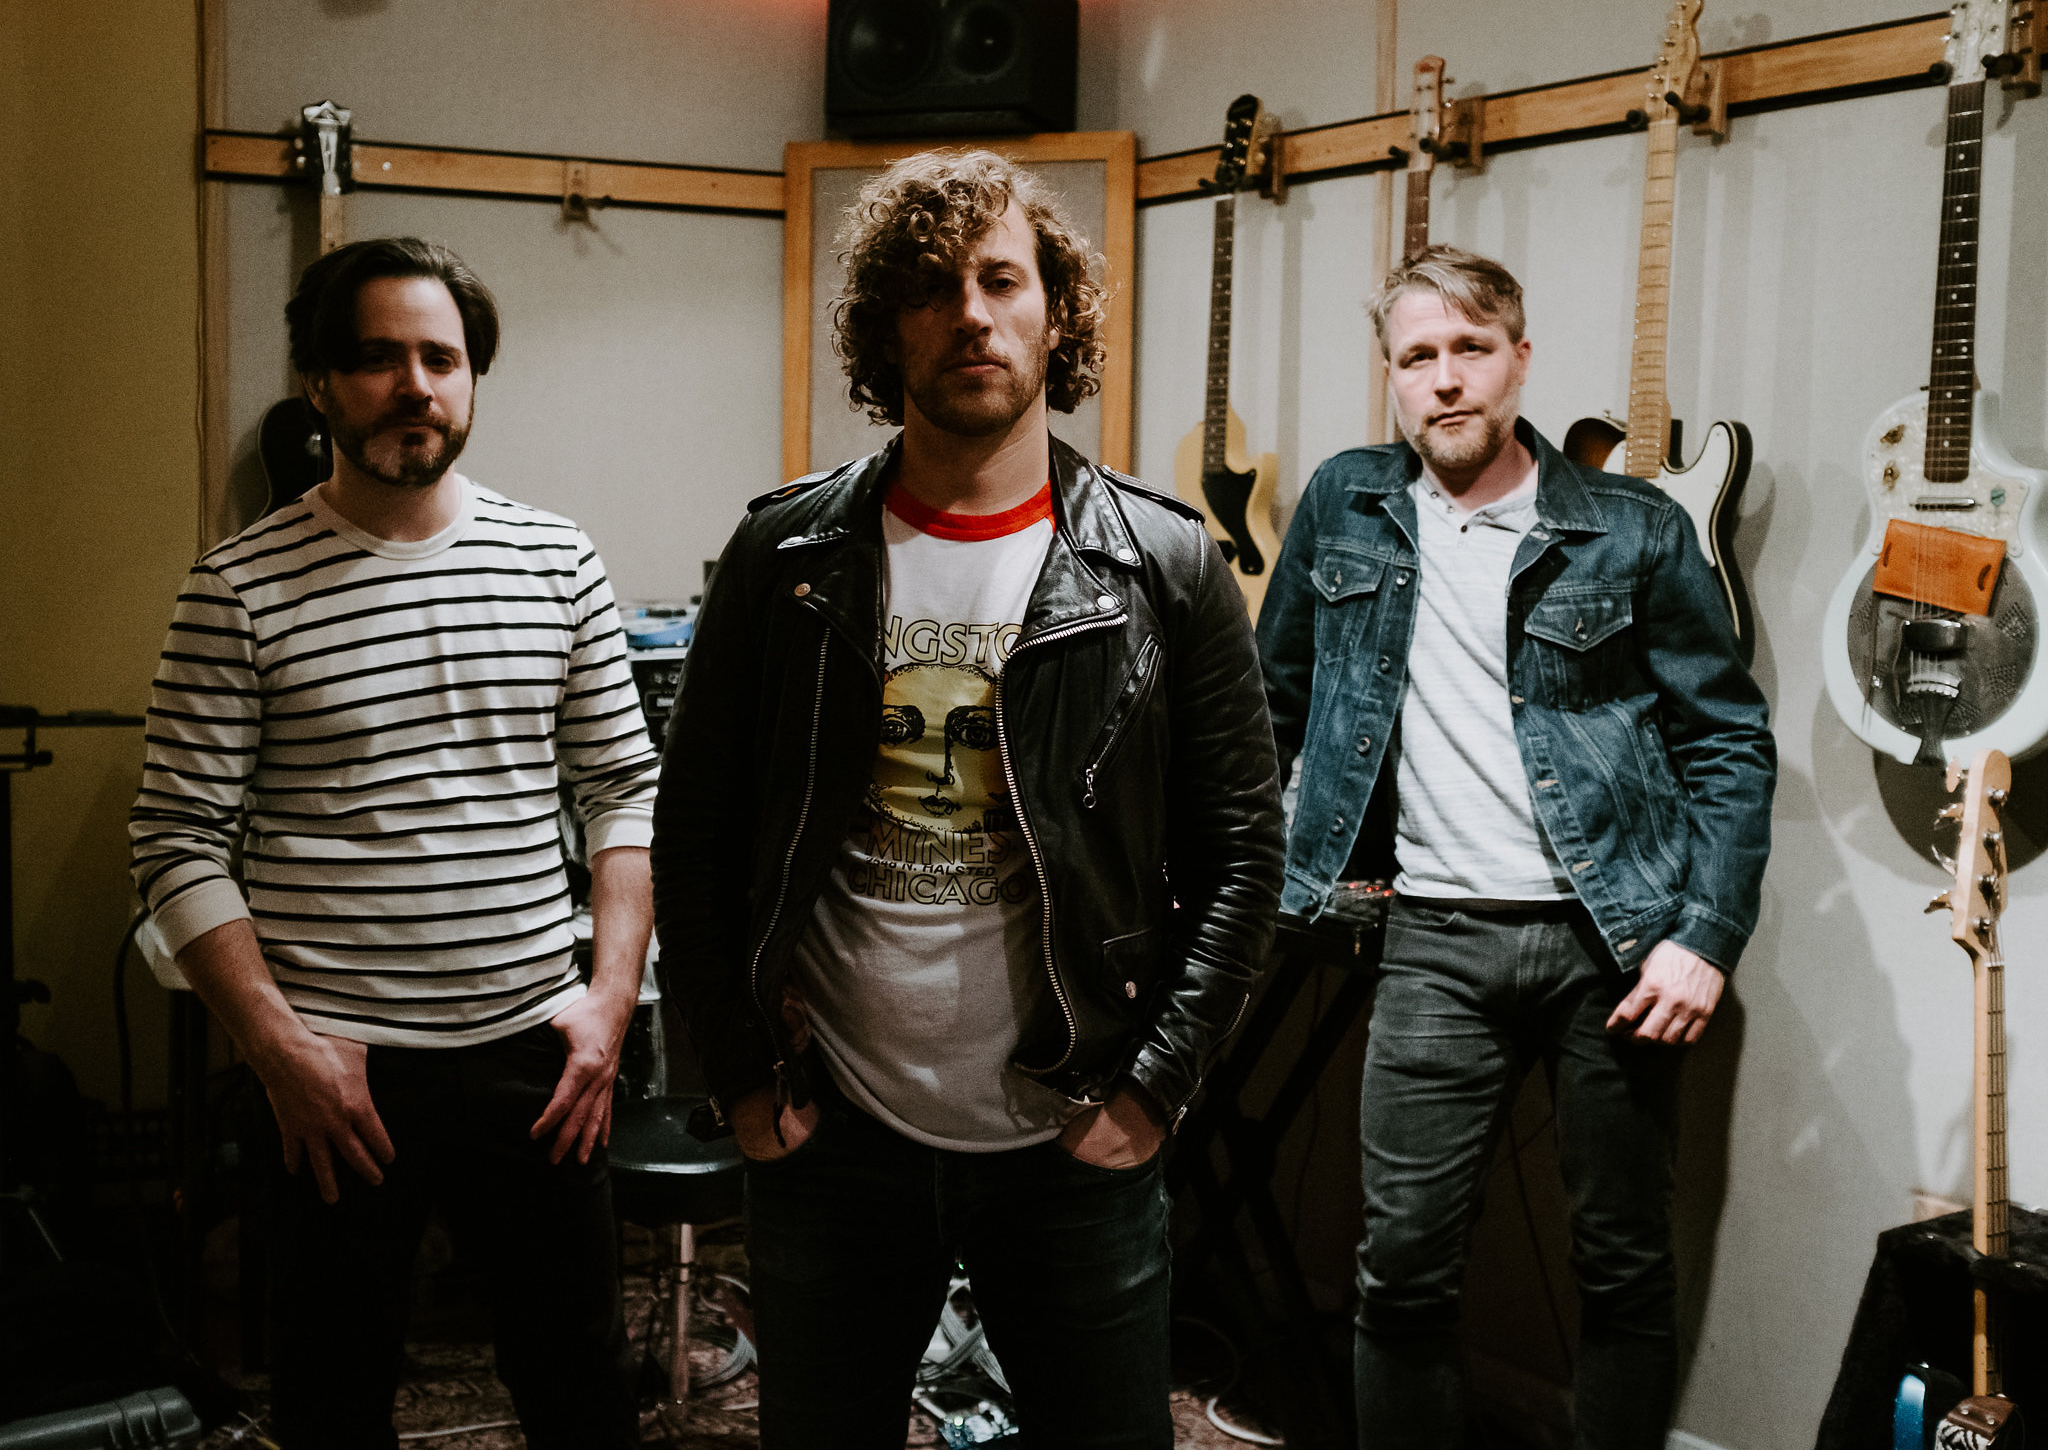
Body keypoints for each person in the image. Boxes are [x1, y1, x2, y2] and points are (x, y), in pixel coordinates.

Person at [652, 149, 1285, 1447]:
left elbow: (1242, 855)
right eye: (930, 286)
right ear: (886, 327)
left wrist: (1153, 1087)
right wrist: (742, 1079)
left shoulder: (1163, 562)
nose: (970, 314)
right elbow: (693, 830)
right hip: (832, 1132)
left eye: (1001, 279)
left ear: (1057, 313)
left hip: (1076, 1125)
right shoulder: (784, 555)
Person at [129, 237, 654, 1450]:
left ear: (471, 378)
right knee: (331, 1397)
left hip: (538, 1056)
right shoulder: (235, 587)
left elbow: (623, 787)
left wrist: (609, 1002)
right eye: (376, 358)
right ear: (318, 382)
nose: (414, 385)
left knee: (581, 1385)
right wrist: (278, 1050)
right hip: (337, 1075)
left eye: (440, 358)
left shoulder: (556, 559)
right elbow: (174, 837)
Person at [1257, 245, 1775, 1447]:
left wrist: (1703, 936)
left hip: (1616, 947)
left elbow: (1726, 741)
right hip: (1430, 941)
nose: (1444, 379)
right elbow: (1264, 708)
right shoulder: (1344, 501)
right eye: (1415, 356)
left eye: (1469, 349)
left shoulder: (1630, 526)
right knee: (1399, 1273)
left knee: (1622, 1267)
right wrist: (1259, 868)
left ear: (1518, 359)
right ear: (1390, 375)